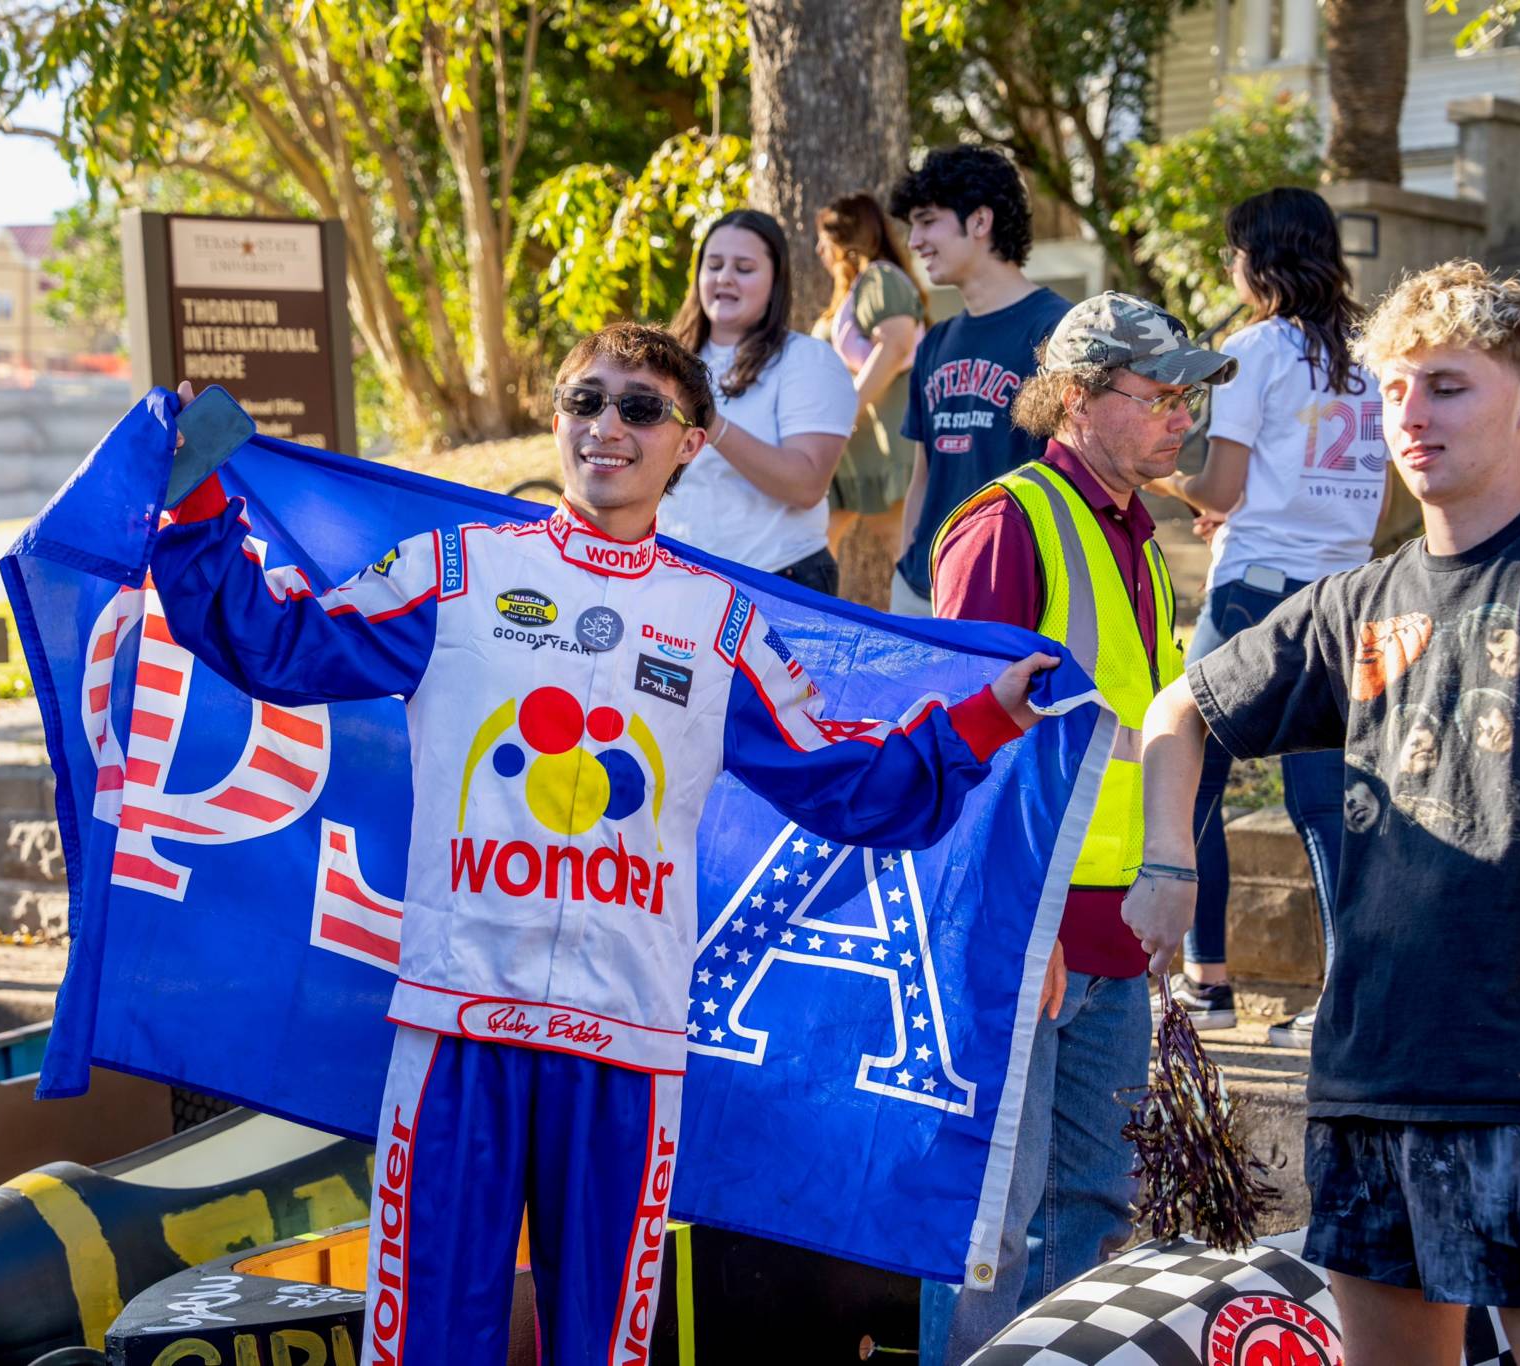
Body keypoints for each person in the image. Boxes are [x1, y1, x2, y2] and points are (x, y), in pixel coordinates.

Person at [150, 324, 1058, 1366]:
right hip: (457, 1028)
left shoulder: (719, 626)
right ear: (555, 419)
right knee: (426, 1338)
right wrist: (197, 500)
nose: (607, 427)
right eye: (586, 401)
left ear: (690, 444)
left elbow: (850, 787)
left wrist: (983, 717)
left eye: (640, 409)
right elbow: (280, 642)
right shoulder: (453, 569)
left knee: (599, 1347)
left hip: (622, 1044)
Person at [1124, 261, 1520, 1366]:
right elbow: (1179, 706)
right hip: (1369, 1075)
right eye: (1394, 390)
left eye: (1447, 386)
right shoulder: (1345, 605)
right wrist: (1167, 858)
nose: (1411, 416)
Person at [927, 292, 1237, 1359]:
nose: (1180, 417)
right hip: (1028, 930)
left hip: (1105, 931)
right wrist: (1029, 916)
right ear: (1072, 397)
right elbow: (961, 741)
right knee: (988, 1233)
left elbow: (1142, 734)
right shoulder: (1005, 523)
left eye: (1185, 396)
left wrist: (1156, 879)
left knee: (1089, 1215)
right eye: (1157, 395)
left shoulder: (1140, 540)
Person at [1145, 187, 1387, 1043]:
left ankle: (1202, 980)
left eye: (1232, 252)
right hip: (1348, 594)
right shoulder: (1371, 352)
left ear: (1260, 261)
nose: (1228, 268)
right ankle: (1342, 999)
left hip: (1255, 593)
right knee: (1328, 804)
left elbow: (1221, 486)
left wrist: (1169, 478)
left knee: (1191, 774)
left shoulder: (1253, 350)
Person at [887, 146, 1073, 618]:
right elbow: (923, 473)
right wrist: (907, 562)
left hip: (1006, 594)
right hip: (920, 589)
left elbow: (1076, 479)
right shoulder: (935, 343)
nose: (914, 241)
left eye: (928, 221)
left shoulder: (1059, 332)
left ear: (980, 221)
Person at [665, 209, 859, 594]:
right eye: (714, 264)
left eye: (744, 268)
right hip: (677, 579)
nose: (725, 278)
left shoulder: (807, 360)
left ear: (775, 281)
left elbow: (806, 486)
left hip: (776, 581)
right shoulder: (665, 362)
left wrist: (712, 424)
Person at [811, 193, 927, 592]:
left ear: (846, 240)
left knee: (904, 548)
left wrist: (844, 412)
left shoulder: (881, 278)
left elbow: (894, 346)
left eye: (824, 240)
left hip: (881, 443)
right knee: (813, 541)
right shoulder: (855, 290)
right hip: (852, 451)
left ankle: (932, 639)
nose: (818, 250)